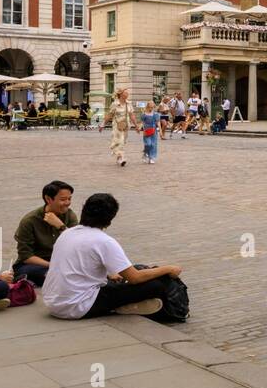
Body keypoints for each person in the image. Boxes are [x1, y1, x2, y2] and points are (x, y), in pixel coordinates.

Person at [41, 193, 182, 320]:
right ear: (110, 219)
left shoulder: (67, 233)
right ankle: (120, 307)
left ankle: (120, 304)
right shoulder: (104, 241)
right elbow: (135, 277)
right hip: (77, 306)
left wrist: (110, 275)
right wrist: (168, 269)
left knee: (124, 276)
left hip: (52, 302)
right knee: (157, 283)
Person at [13, 180, 79, 287]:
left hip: (61, 262)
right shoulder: (29, 221)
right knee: (52, 274)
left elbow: (77, 244)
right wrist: (53, 265)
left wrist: (61, 226)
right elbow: (26, 256)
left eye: (69, 199)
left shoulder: (70, 215)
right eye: (63, 199)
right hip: (35, 264)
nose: (67, 203)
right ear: (48, 199)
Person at [103, 88, 137, 165]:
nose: (127, 94)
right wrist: (103, 124)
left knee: (122, 142)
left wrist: (136, 126)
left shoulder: (129, 103)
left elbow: (132, 115)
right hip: (117, 125)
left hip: (126, 125)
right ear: (121, 95)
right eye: (126, 93)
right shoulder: (115, 104)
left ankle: (118, 157)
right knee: (119, 141)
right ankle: (122, 157)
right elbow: (110, 115)